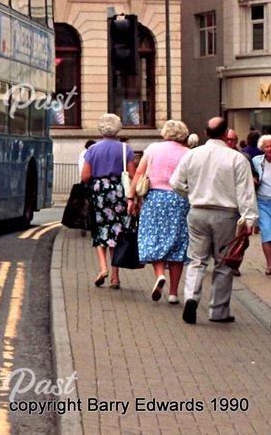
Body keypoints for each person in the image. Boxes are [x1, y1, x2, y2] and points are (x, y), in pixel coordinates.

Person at [169, 116, 258, 324]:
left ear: (206, 133)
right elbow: (245, 192)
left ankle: (191, 296)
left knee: (196, 259)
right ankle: (218, 311)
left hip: (197, 211)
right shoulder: (236, 159)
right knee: (224, 263)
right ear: (226, 133)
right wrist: (249, 219)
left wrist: (189, 194)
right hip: (226, 214)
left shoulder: (192, 155)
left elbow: (175, 182)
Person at [128, 120, 191, 304]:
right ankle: (173, 293)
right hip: (179, 199)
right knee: (178, 242)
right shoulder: (188, 153)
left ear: (165, 133)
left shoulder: (153, 148)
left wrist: (131, 198)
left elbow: (139, 174)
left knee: (153, 236)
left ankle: (159, 275)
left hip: (154, 198)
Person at [81, 113, 135, 289]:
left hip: (99, 192)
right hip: (118, 191)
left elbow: (85, 176)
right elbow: (133, 175)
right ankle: (115, 277)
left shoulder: (92, 149)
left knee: (101, 230)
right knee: (118, 231)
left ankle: (102, 267)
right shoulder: (125, 149)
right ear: (118, 128)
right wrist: (134, 199)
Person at [252, 135, 271, 275]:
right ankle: (269, 265)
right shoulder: (257, 161)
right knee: (266, 233)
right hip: (262, 202)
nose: (270, 149)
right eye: (267, 146)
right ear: (262, 148)